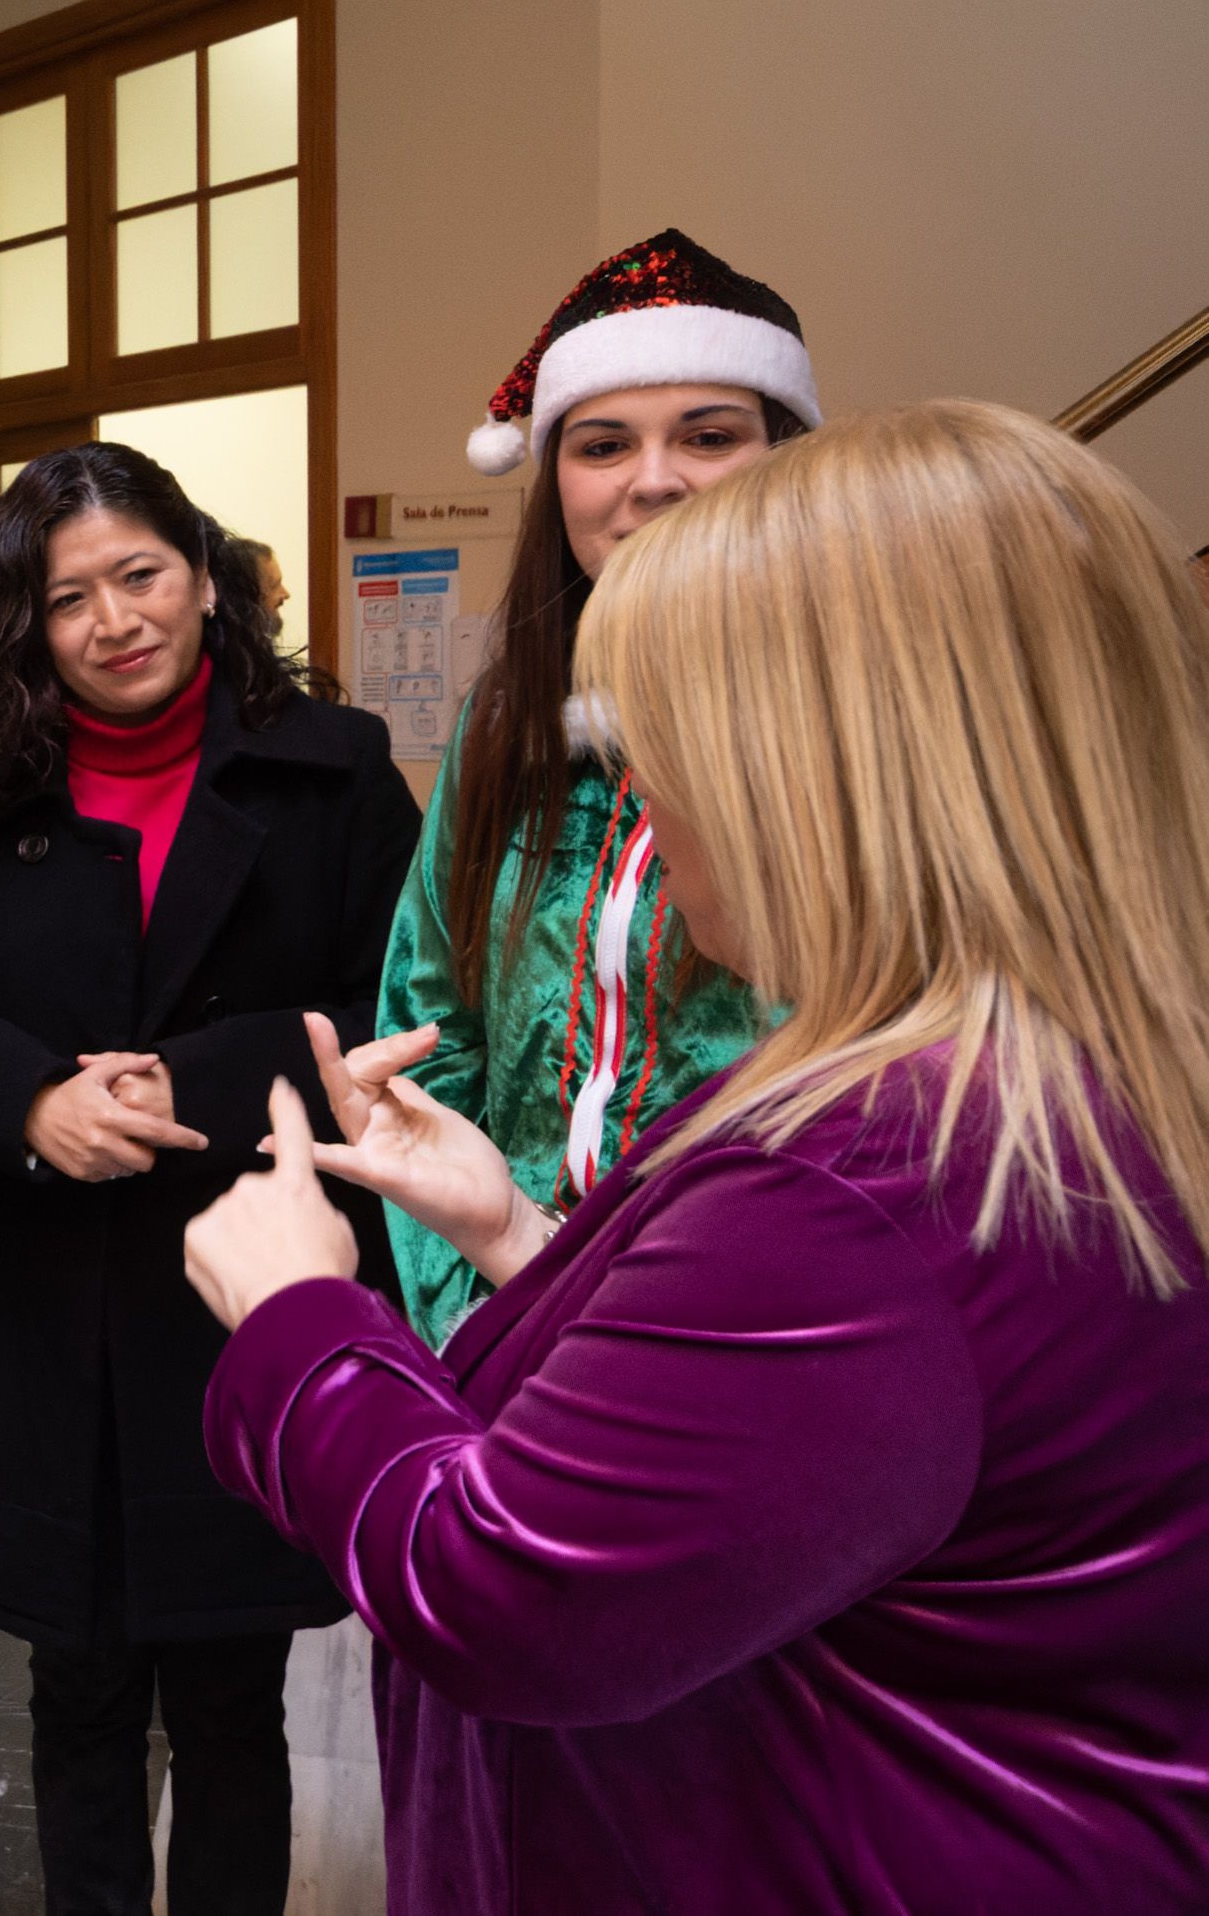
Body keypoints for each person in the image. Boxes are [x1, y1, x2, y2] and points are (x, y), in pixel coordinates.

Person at [185, 401, 1209, 1912]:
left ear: (838, 767)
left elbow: (503, 1595)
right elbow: (811, 1449)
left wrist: (299, 1321)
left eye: (670, 742)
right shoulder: (1064, 1069)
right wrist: (519, 1237)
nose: (650, 806)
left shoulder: (861, 1180)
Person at [0, 443, 420, 1914]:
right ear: (21, 626)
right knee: (77, 1692)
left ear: (200, 572)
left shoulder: (334, 768)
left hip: (247, 1294)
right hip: (42, 1311)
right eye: (66, 598)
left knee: (231, 1702)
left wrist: (210, 1085)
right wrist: (31, 1098)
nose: (113, 620)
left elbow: (411, 1020)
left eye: (139, 575)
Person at [376, 229, 823, 1349]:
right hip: (503, 1303)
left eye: (709, 435)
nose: (652, 479)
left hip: (759, 1332)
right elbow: (430, 1028)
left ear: (790, 457)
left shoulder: (863, 721)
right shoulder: (503, 725)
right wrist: (474, 1308)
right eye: (603, 443)